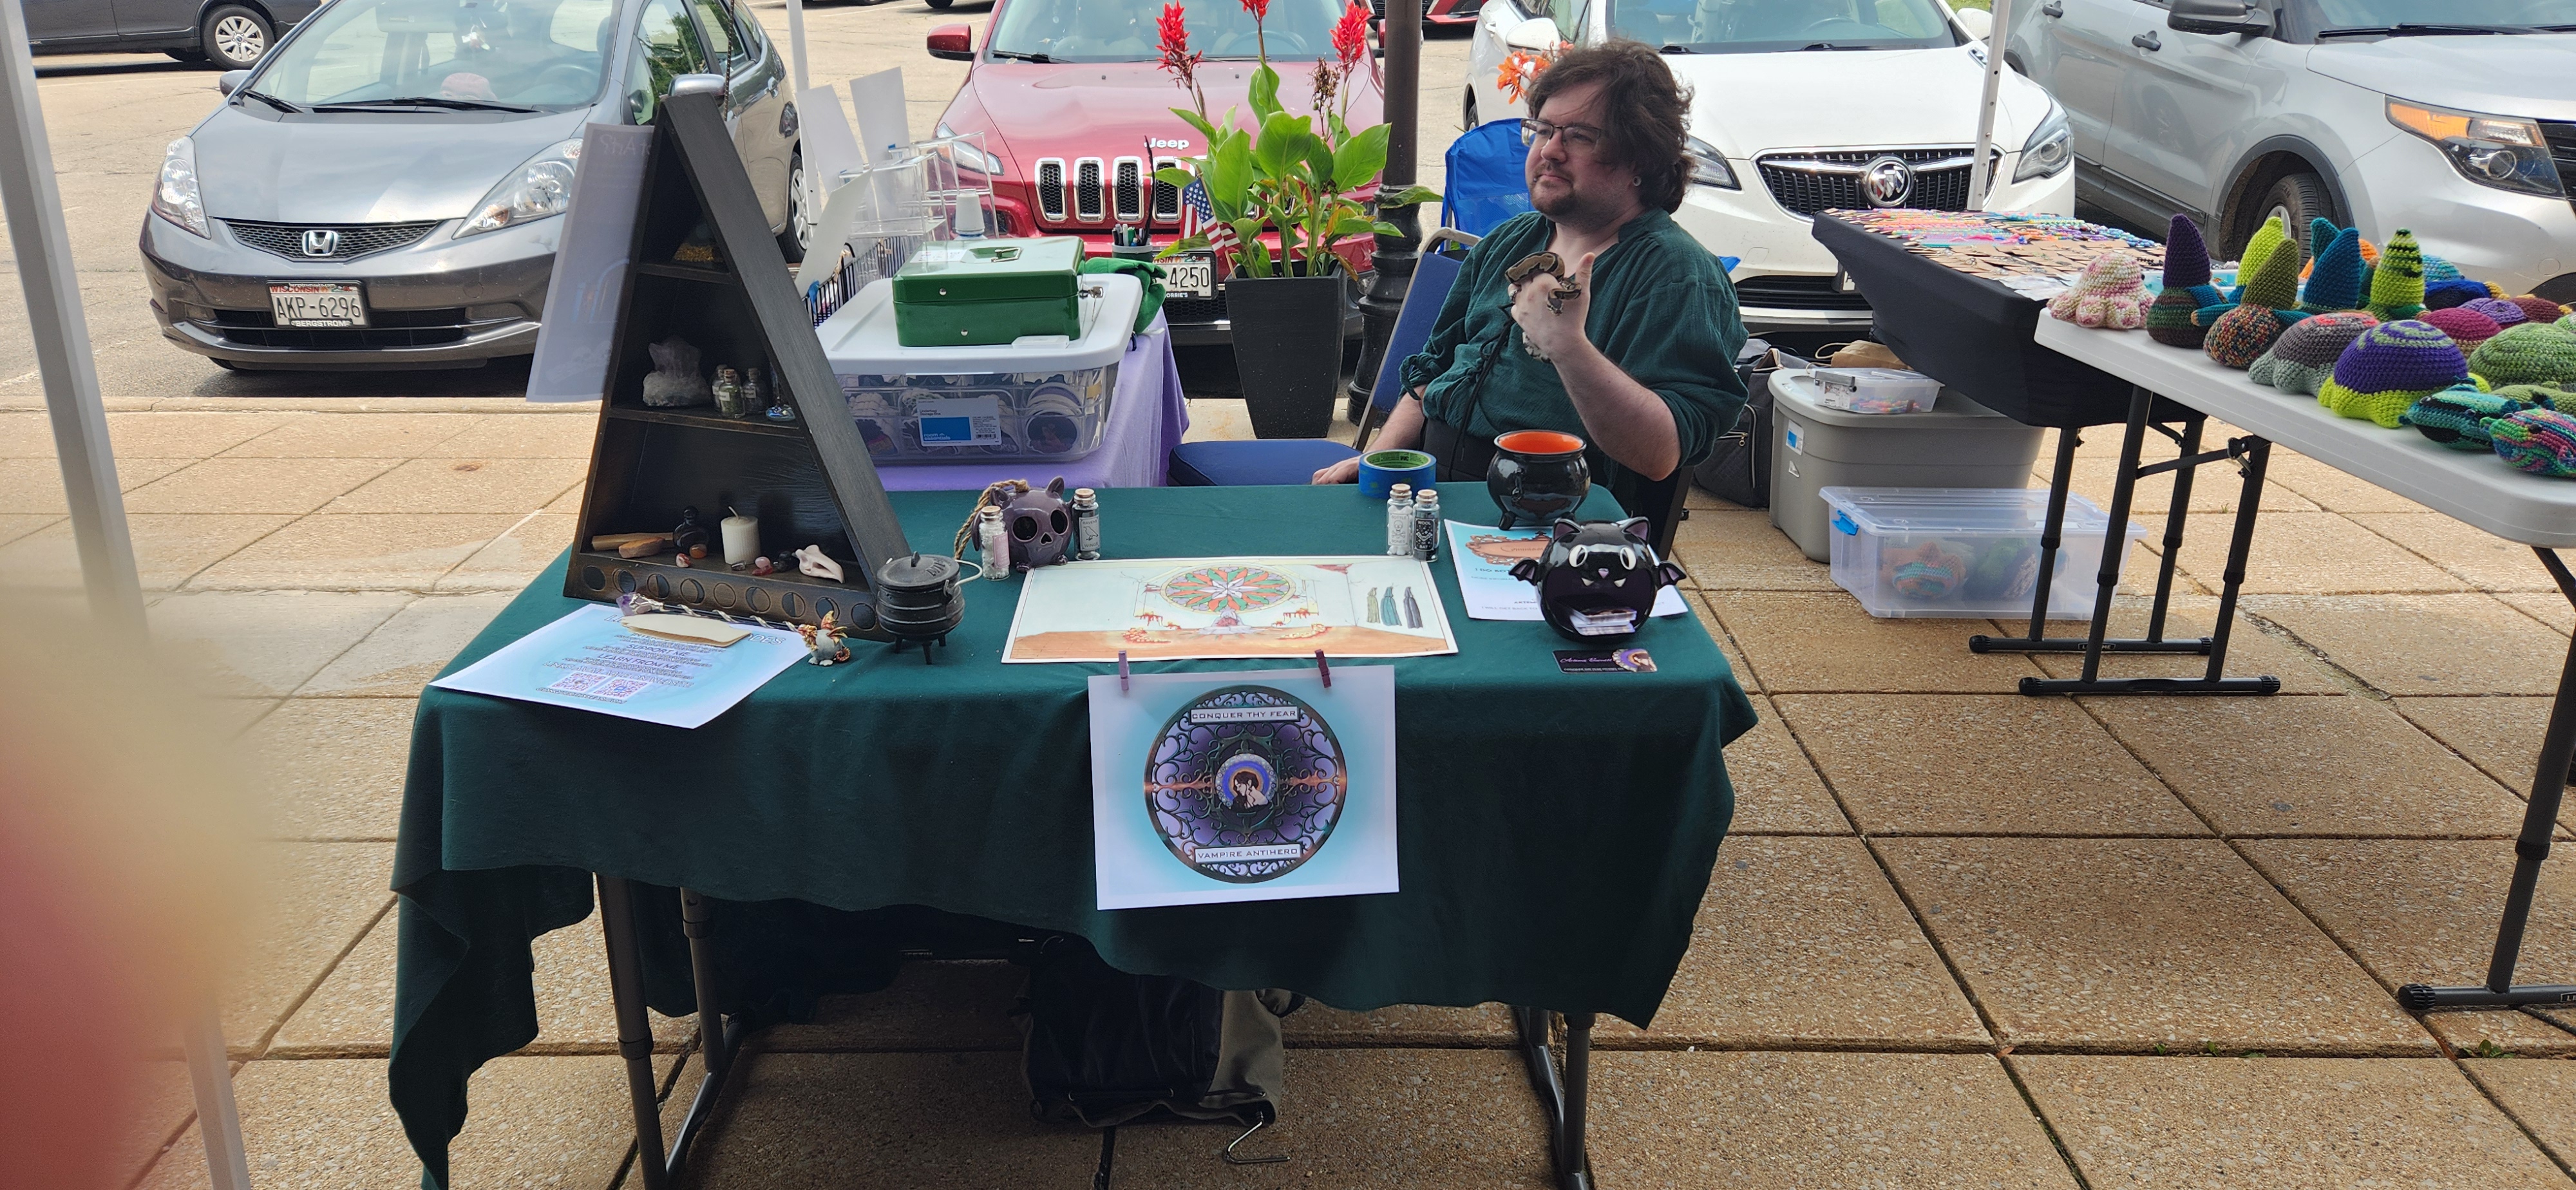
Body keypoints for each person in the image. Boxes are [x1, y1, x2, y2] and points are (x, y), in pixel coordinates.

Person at [1312, 41, 1748, 520]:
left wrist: (1566, 346)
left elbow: (1660, 454)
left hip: (1552, 523)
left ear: (1640, 160)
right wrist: (1381, 461)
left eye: (1580, 136)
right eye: (1542, 130)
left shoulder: (1676, 277)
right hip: (1431, 498)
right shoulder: (1510, 240)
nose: (1550, 151)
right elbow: (1434, 373)